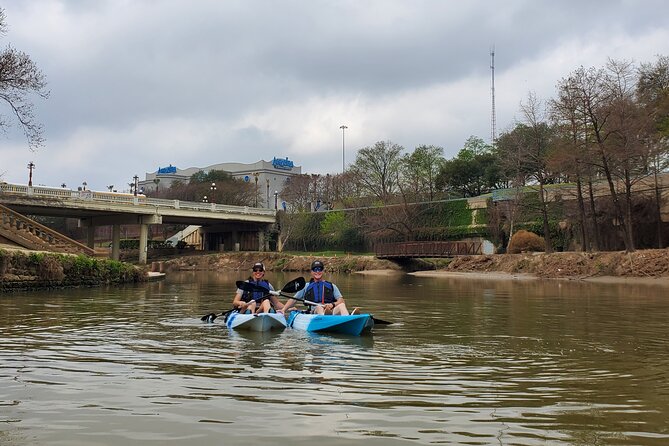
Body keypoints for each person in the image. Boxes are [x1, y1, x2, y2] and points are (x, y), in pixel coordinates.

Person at [280, 260, 349, 315]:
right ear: (311, 272)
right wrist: (283, 310)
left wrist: (332, 304)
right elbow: (293, 300)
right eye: (315, 269)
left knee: (342, 305)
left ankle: (348, 319)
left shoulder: (331, 286)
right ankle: (324, 319)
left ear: (323, 271)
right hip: (315, 312)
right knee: (319, 307)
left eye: (320, 269)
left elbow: (341, 300)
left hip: (330, 310)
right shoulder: (305, 286)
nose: (317, 272)